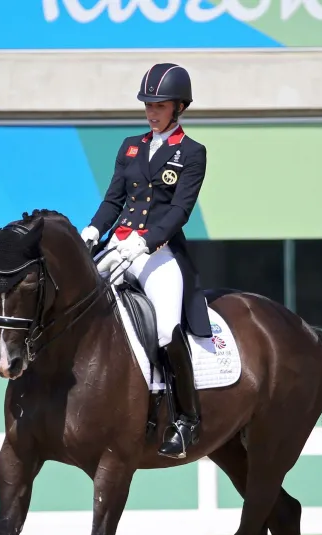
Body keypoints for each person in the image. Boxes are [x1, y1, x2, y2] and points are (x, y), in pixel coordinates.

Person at [78, 62, 211, 459]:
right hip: (118, 247)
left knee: (168, 329)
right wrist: (92, 229)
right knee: (77, 304)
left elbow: (180, 211)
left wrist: (147, 241)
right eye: (148, 105)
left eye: (160, 105)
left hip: (159, 254)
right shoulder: (130, 146)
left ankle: (187, 419)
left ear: (179, 107)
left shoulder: (191, 152)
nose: (152, 112)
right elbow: (113, 200)